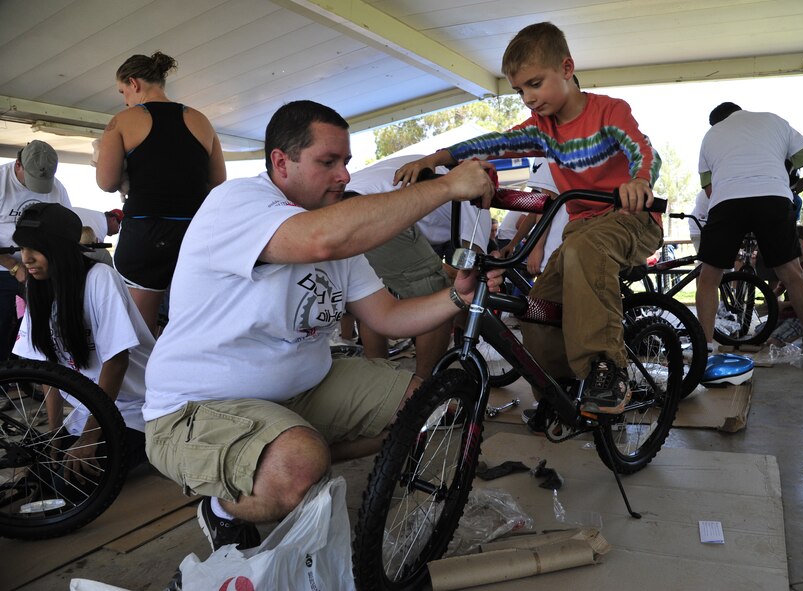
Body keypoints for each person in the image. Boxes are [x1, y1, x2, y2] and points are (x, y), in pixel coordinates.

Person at [142, 100, 497, 553]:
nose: (344, 175)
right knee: (296, 467)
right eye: (327, 162)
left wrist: (457, 297)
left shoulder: (334, 229)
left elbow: (386, 316)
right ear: (280, 162)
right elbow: (320, 240)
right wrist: (446, 185)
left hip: (297, 392)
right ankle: (223, 507)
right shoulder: (236, 201)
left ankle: (294, 450)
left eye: (346, 162)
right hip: (195, 407)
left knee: (422, 406)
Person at [394, 22, 662, 416]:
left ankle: (607, 370)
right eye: (520, 90)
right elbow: (495, 142)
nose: (528, 98)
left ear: (567, 68)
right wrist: (437, 159)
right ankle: (562, 389)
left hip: (630, 218)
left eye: (535, 84)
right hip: (582, 230)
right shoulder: (541, 130)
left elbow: (641, 149)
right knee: (537, 308)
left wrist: (639, 181)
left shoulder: (609, 111)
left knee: (585, 249)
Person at [11, 203, 154, 474]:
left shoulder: (100, 279)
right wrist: (55, 435)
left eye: (35, 248)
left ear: (61, 248)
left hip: (135, 412)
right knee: (40, 473)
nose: (25, 258)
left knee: (74, 482)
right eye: (22, 248)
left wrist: (91, 436)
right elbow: (49, 372)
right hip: (86, 414)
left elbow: (116, 362)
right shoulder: (39, 288)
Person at [95, 51, 227, 335]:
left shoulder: (123, 120)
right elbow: (218, 182)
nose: (124, 99)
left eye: (123, 91)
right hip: (195, 233)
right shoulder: (201, 120)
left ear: (134, 83)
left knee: (139, 334)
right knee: (195, 327)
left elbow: (106, 182)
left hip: (145, 233)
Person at [696, 102, 803, 367]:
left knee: (709, 278)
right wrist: (794, 190)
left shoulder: (711, 135)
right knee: (792, 274)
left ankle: (706, 348)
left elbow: (710, 191)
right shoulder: (774, 120)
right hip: (773, 198)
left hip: (727, 201)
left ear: (717, 122)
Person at [342, 155, 455, 380]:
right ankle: (423, 392)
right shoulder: (471, 191)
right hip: (374, 210)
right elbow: (470, 268)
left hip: (343, 206)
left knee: (372, 295)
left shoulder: (425, 163)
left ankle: (381, 383)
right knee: (440, 295)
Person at [0, 140, 72, 362]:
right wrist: (13, 266)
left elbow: (65, 228)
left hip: (39, 267)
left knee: (47, 323)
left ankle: (44, 375)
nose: (38, 186)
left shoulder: (57, 187)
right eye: (33, 180)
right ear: (19, 165)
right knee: (1, 324)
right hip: (3, 268)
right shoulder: (2, 181)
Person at [765, 226, 803, 352]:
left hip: (799, 316)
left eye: (796, 241)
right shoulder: (790, 266)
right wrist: (770, 298)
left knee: (772, 343)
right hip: (785, 315)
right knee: (758, 336)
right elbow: (780, 288)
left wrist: (784, 305)